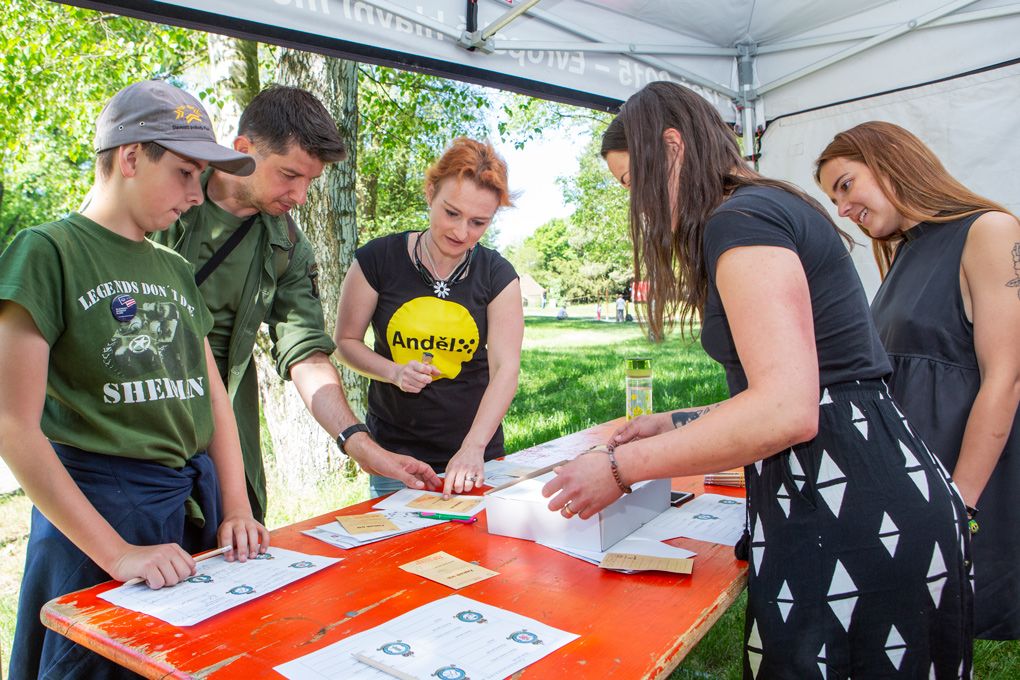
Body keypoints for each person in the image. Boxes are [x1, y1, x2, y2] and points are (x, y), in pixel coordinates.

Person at [543, 83, 972, 677]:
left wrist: (620, 470)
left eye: (629, 183)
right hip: (863, 487)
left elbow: (787, 410)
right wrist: (673, 423)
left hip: (853, 512)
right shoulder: (763, 206)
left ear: (671, 149)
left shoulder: (739, 221)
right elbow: (809, 386)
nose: (634, 204)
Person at [0, 80, 270, 680]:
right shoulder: (47, 251)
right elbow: (12, 424)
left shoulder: (173, 267)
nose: (197, 194)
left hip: (178, 507)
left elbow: (211, 396)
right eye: (183, 172)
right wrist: (116, 552)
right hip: (94, 516)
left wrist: (235, 504)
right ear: (129, 157)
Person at [152, 86, 440, 522]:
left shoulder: (285, 244)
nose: (301, 196)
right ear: (243, 149)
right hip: (140, 418)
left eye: (310, 181)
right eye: (289, 175)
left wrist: (360, 445)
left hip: (225, 431)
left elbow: (306, 351)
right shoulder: (163, 203)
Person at [816, 121, 1020, 640]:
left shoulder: (989, 230)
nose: (843, 209)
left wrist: (959, 505)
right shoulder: (906, 250)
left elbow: (1008, 376)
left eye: (845, 185)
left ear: (891, 162)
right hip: (907, 484)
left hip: (963, 483)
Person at [335, 137, 523, 498]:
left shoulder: (498, 275)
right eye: (451, 213)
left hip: (475, 455)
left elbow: (506, 369)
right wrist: (394, 372)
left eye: (478, 222)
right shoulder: (377, 260)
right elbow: (345, 343)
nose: (460, 232)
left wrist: (473, 447)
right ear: (430, 192)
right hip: (395, 459)